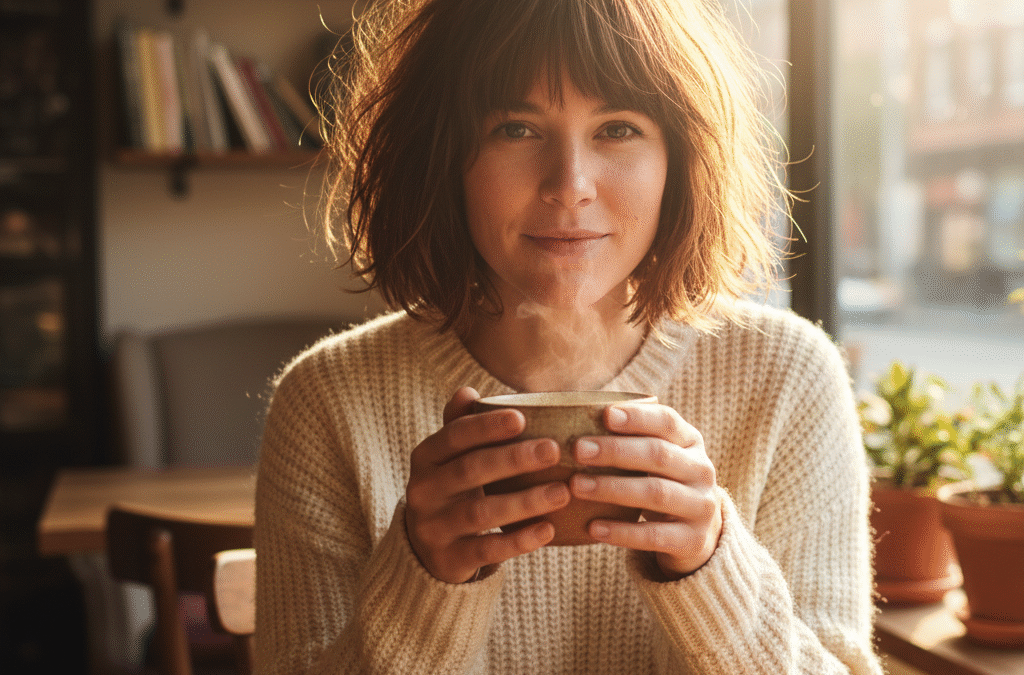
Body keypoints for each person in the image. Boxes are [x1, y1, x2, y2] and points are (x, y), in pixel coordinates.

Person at [254, 0, 883, 672]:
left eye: (617, 127)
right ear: (440, 154)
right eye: (516, 128)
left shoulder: (787, 377)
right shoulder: (328, 401)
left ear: (680, 158)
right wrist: (422, 579)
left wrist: (712, 568)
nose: (570, 186)